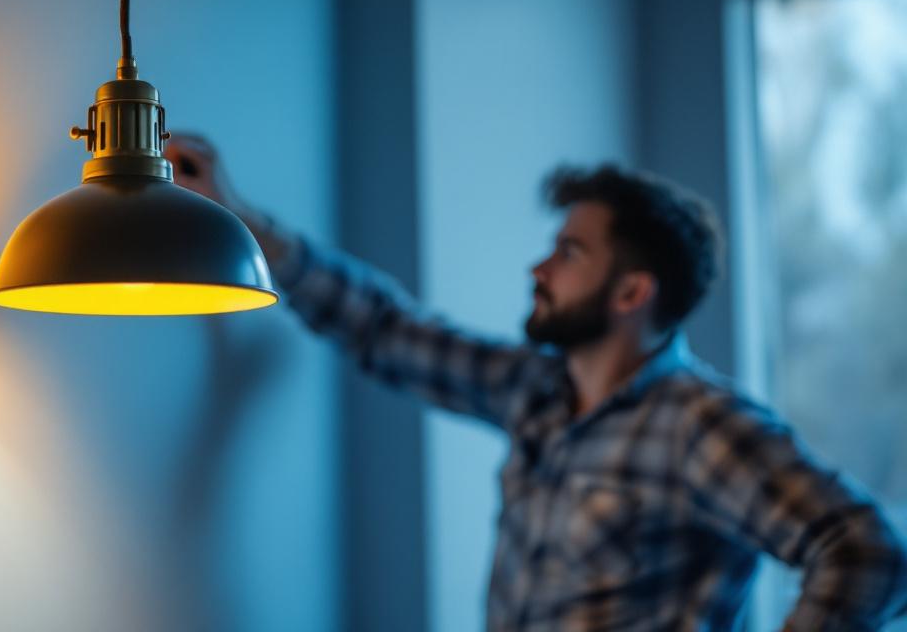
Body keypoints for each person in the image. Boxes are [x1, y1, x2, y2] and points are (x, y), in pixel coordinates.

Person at [163, 134, 907, 630]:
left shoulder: (698, 425)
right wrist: (238, 216)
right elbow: (385, 329)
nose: (538, 270)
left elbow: (868, 549)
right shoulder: (537, 391)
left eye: (568, 253)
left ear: (630, 293)